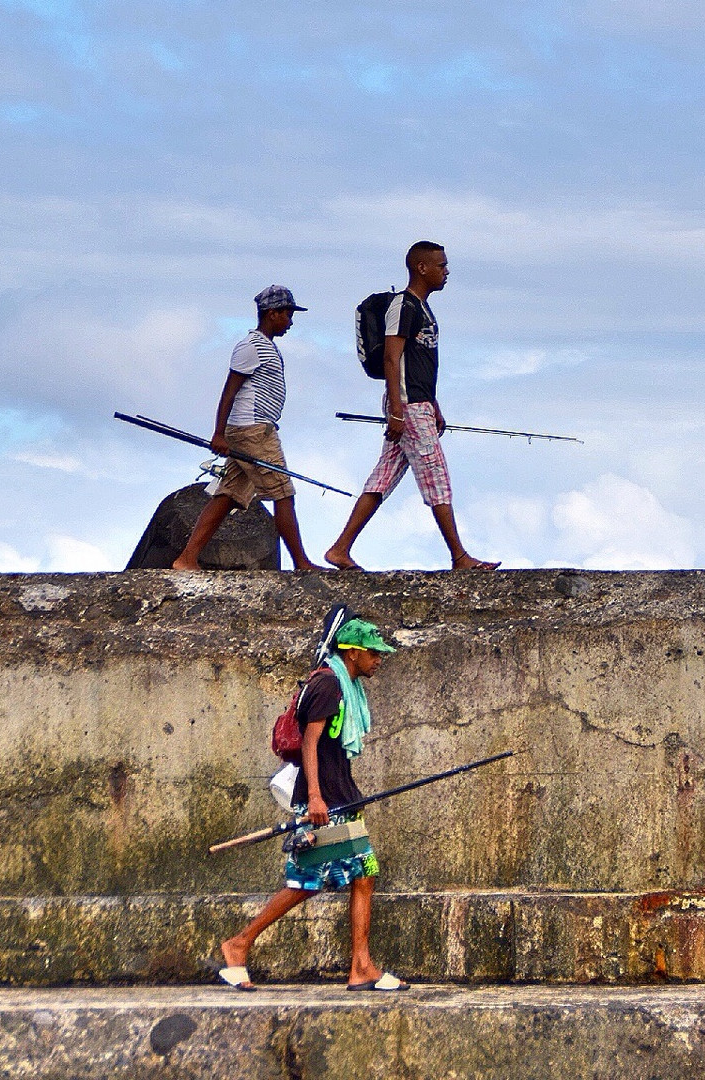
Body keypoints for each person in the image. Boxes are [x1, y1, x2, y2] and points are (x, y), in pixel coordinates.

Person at [217, 618, 409, 992]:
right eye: (373, 653)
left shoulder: (348, 686)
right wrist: (316, 797)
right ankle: (238, 944)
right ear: (352, 652)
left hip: (342, 796)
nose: (378, 660)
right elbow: (309, 742)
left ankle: (361, 967)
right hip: (324, 800)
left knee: (363, 875)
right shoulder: (327, 684)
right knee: (307, 882)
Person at [324, 241, 500, 572]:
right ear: (421, 267)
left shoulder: (422, 308)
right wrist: (396, 409)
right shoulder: (403, 306)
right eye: (441, 265)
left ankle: (340, 548)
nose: (446, 272)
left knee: (383, 478)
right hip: (408, 406)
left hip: (419, 404)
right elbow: (393, 358)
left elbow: (417, 362)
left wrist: (434, 403)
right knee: (437, 477)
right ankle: (459, 556)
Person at [172, 285, 327, 572]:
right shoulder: (251, 347)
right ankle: (302, 563)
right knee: (283, 492)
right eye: (288, 315)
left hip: (251, 430)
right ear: (272, 313)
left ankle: (187, 558)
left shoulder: (264, 345)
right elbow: (229, 392)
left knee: (228, 493)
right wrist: (218, 433)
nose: (291, 322)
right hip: (254, 431)